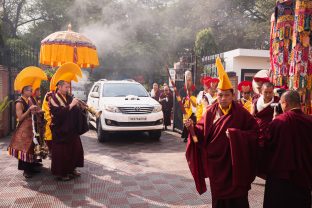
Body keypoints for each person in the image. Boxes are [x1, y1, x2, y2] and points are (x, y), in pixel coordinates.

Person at [185, 58, 259, 208]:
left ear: (232, 95)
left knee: (238, 200)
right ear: (216, 94)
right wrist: (192, 128)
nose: (223, 98)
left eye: (226, 95)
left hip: (235, 165)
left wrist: (235, 134)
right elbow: (200, 133)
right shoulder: (210, 111)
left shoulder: (241, 113)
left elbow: (255, 135)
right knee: (218, 200)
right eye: (220, 95)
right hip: (217, 166)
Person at [263, 90, 312, 208]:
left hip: (280, 178)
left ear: (285, 103)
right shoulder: (309, 121)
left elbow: (267, 145)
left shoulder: (279, 121)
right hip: (303, 177)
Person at [49, 80, 88, 181]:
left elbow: (75, 111)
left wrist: (81, 107)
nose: (68, 89)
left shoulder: (69, 97)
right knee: (62, 153)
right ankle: (62, 173)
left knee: (75, 149)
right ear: (59, 87)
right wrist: (71, 105)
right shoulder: (53, 98)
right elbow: (58, 114)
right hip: (60, 129)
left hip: (71, 128)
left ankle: (72, 169)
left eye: (68, 87)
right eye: (66, 87)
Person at [8, 85, 40, 178]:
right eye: (30, 90)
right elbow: (20, 117)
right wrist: (29, 110)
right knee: (24, 149)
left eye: (31, 90)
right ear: (24, 91)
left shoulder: (29, 100)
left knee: (31, 147)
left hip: (31, 128)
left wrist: (35, 111)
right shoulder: (19, 102)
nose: (31, 92)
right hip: (23, 129)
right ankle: (26, 171)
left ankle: (31, 167)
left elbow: (31, 114)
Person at [179, 70, 198, 143]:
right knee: (186, 123)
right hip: (186, 109)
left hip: (192, 110)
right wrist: (183, 100)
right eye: (187, 79)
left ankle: (192, 135)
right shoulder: (181, 90)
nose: (188, 82)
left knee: (192, 122)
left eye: (189, 80)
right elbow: (180, 101)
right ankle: (186, 136)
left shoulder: (196, 90)